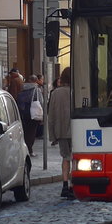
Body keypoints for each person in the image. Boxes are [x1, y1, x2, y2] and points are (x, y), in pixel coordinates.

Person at [46, 66, 73, 199]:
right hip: (75, 131)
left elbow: (50, 115)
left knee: (65, 157)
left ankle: (65, 185)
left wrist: (52, 136)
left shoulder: (55, 93)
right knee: (75, 158)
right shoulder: (75, 92)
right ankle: (73, 185)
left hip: (61, 131)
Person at [15, 76, 43, 153]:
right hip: (33, 113)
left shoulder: (22, 88)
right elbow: (41, 101)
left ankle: (24, 149)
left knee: (25, 131)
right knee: (32, 132)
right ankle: (29, 149)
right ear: (35, 81)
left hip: (23, 113)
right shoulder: (37, 90)